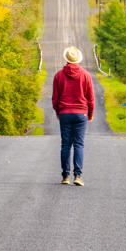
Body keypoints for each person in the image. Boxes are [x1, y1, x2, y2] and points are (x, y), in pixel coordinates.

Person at [52, 46, 94, 186]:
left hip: (65, 113)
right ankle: (78, 175)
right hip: (81, 113)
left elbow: (55, 98)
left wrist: (58, 112)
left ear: (67, 59)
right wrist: (90, 113)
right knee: (79, 144)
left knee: (65, 144)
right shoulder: (86, 75)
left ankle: (65, 176)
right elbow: (91, 98)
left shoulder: (58, 75)